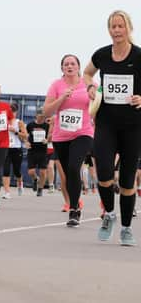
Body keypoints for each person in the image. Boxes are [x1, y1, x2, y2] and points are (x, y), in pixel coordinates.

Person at [84, 10, 141, 246]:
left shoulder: (138, 55)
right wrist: (90, 87)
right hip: (106, 122)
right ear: (109, 30)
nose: (117, 30)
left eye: (121, 26)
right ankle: (109, 214)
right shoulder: (102, 54)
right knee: (104, 172)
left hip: (133, 125)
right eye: (113, 27)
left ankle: (126, 228)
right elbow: (87, 73)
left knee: (127, 181)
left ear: (128, 28)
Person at [43, 54, 94, 227]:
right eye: (66, 64)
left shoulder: (89, 83)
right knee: (68, 174)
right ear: (62, 68)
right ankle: (75, 204)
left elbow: (101, 102)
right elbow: (47, 112)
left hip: (83, 133)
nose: (69, 66)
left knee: (74, 167)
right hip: (61, 136)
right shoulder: (56, 85)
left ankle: (73, 209)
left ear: (79, 67)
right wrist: (61, 98)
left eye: (73, 63)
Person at [4, 102, 27, 198]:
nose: (11, 113)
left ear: (16, 112)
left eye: (13, 111)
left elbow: (25, 136)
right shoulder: (4, 121)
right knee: (6, 170)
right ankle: (7, 192)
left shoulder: (19, 122)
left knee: (17, 170)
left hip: (16, 148)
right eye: (9, 111)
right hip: (5, 148)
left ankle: (20, 183)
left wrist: (16, 132)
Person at [26, 108, 50, 197]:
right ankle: (35, 179)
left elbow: (51, 136)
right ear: (36, 116)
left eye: (43, 117)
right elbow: (25, 136)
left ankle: (40, 189)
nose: (41, 118)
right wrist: (26, 142)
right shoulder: (30, 125)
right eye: (40, 116)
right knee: (31, 172)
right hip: (32, 150)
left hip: (43, 151)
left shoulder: (47, 126)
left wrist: (47, 140)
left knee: (43, 172)